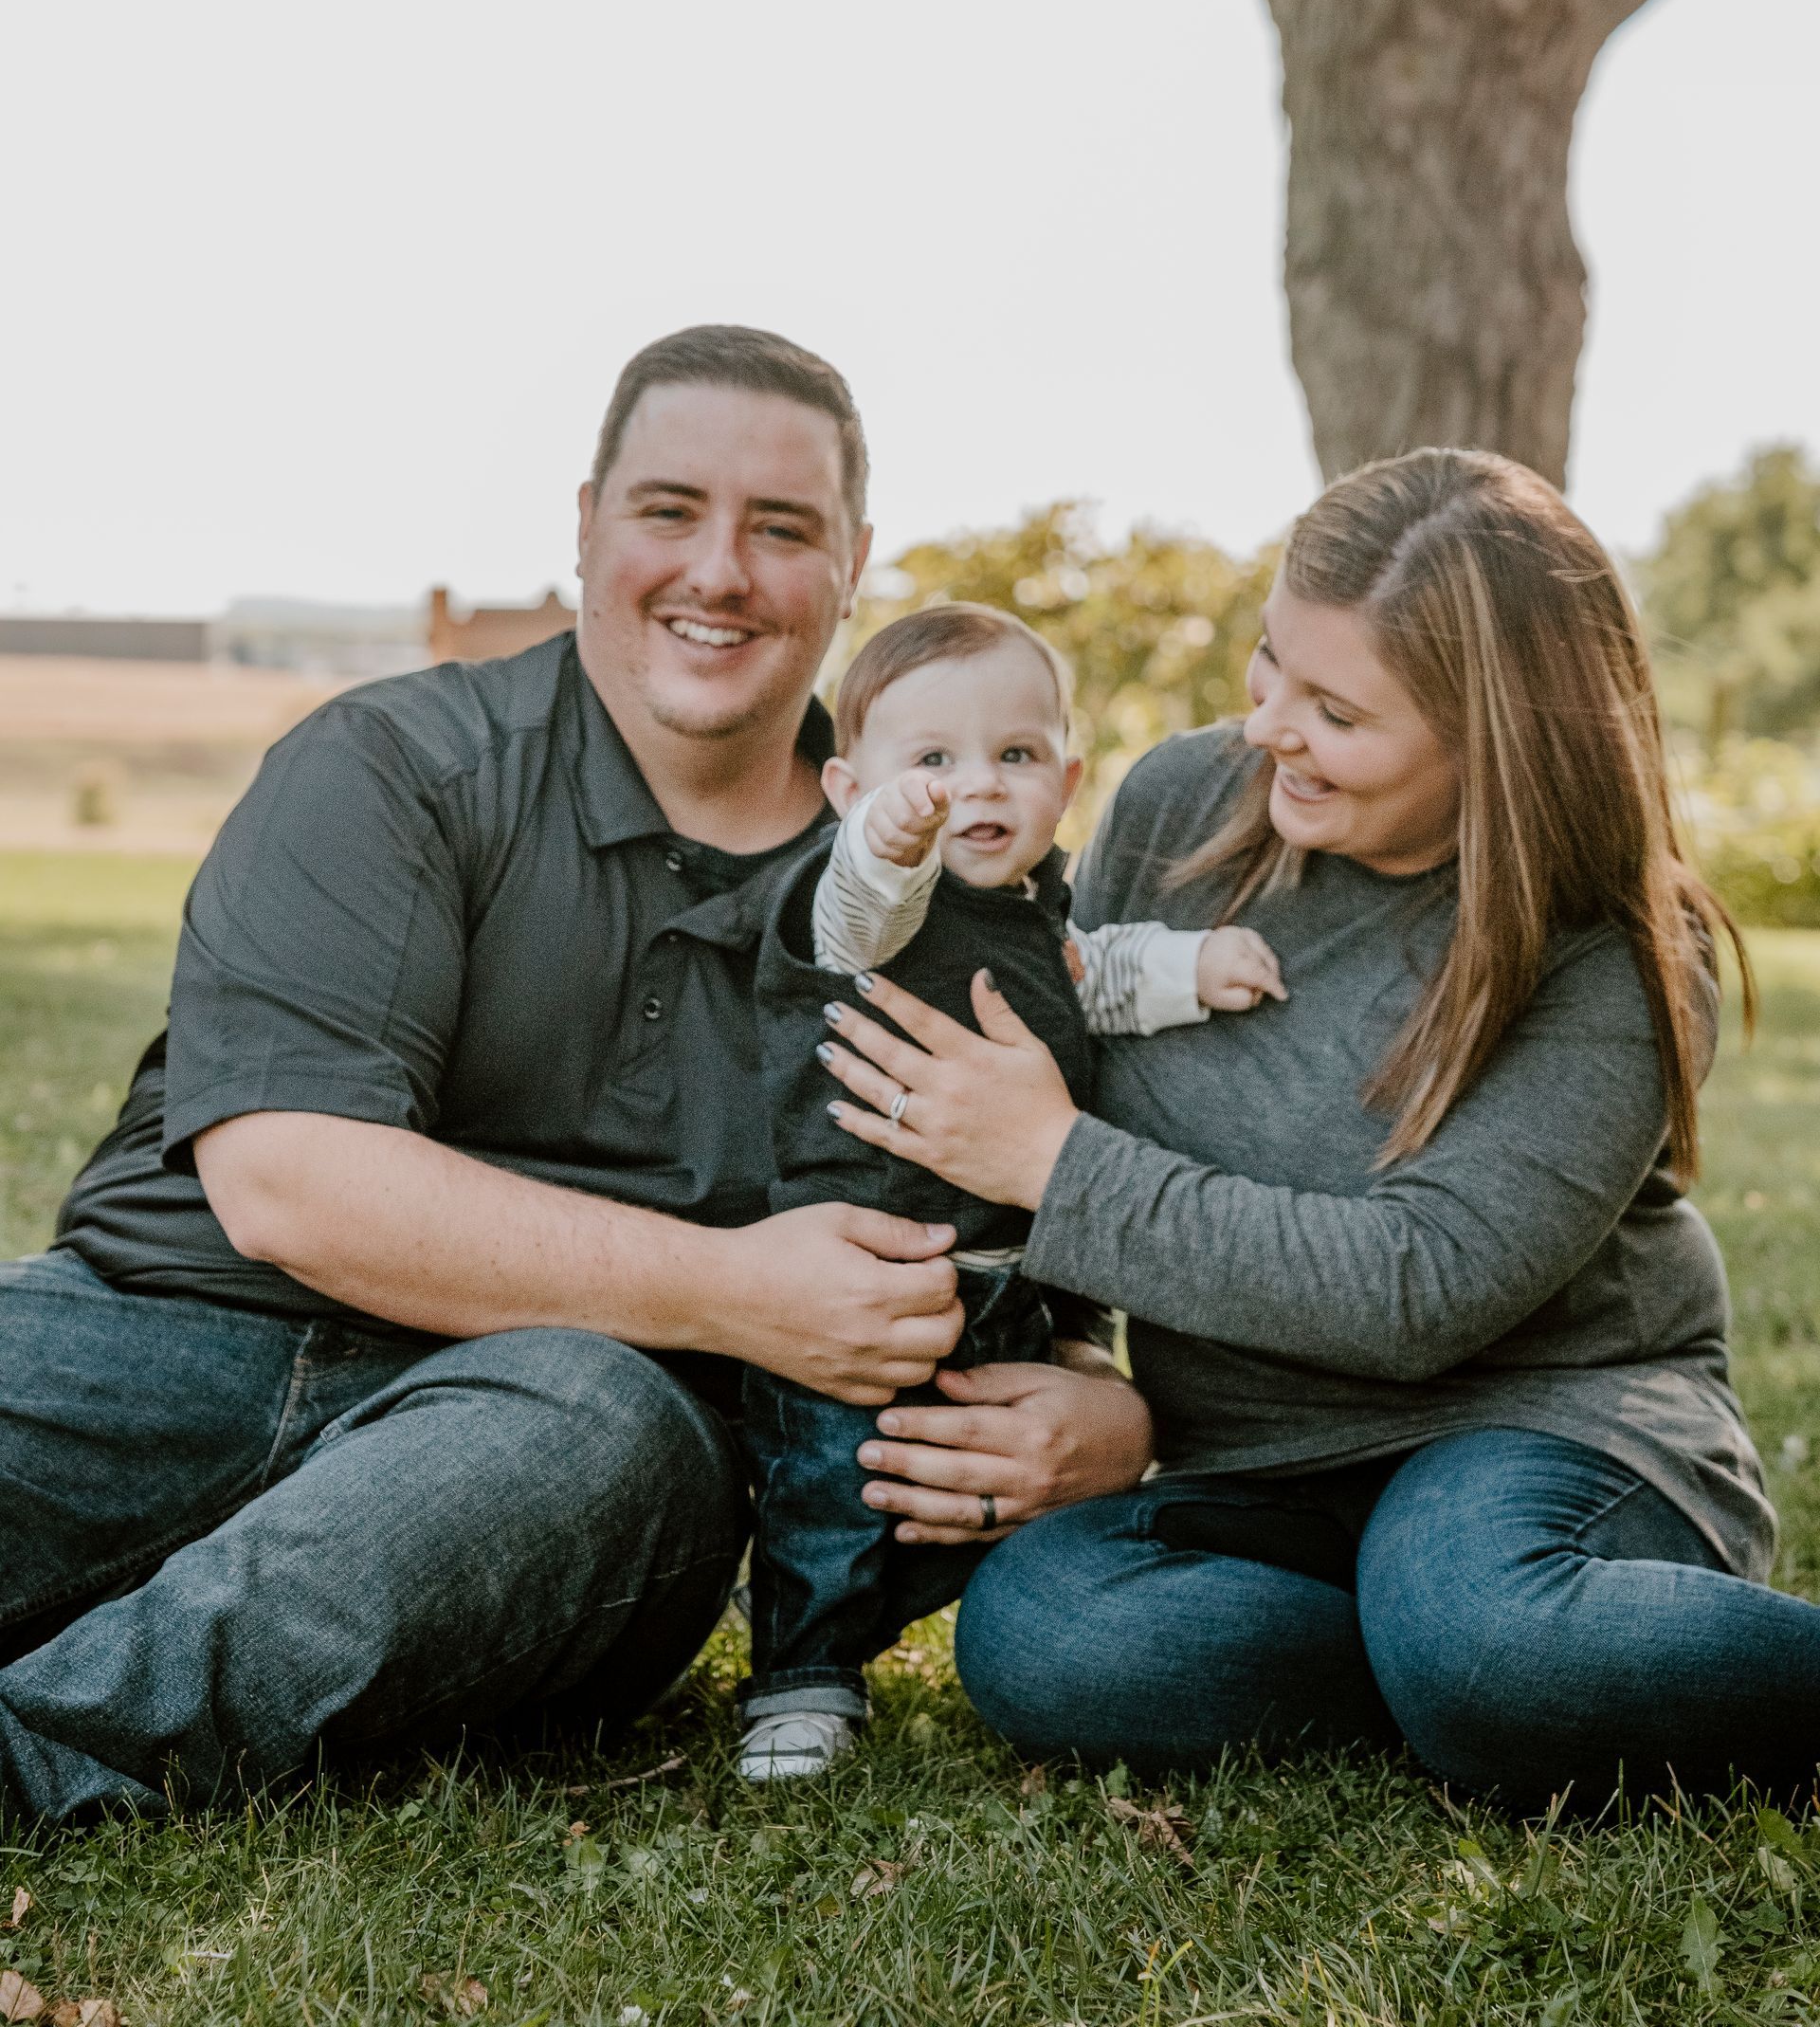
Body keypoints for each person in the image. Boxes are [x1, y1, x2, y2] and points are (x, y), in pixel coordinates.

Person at [0, 324, 1153, 1825]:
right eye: (670, 510)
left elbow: (1021, 1203)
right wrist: (738, 1289)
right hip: (176, 1340)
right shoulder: (396, 768)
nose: (719, 572)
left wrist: (1108, 1412)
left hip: (566, 1454)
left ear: (854, 561)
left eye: (781, 528)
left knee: (592, 1435)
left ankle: (38, 1755)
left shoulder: (949, 882)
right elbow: (287, 1181)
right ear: (590, 523)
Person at [819, 448, 1820, 1810]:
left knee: (1489, 1630)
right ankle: (1468, 1676)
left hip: (1539, 1431)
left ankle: (1504, 1650)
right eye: (1268, 666)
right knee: (1045, 1632)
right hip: (1256, 1476)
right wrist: (1088, 1379)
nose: (1269, 729)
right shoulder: (1180, 805)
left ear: (1497, 745)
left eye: (1336, 710)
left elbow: (1424, 1288)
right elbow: (1064, 1062)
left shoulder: (1618, 951)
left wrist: (1053, 1164)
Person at [737, 603, 1282, 1780]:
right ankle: (802, 1680)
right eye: (929, 761)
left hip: (1014, 1276)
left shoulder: (1046, 913)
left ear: (1067, 778)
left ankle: (1014, 1622)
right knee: (833, 1476)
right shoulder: (871, 907)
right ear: (848, 788)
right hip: (863, 1268)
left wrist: (1200, 966)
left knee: (986, 1466)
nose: (972, 786)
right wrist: (889, 838)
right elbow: (858, 900)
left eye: (1015, 757)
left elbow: (1104, 979)